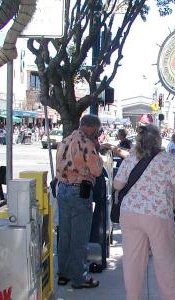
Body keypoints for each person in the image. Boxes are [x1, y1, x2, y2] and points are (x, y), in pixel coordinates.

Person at [113, 124, 175, 300]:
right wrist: (171, 205)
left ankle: (133, 297)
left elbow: (117, 185)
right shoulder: (168, 159)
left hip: (130, 213)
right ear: (159, 139)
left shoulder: (130, 158)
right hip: (158, 215)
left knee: (132, 261)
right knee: (164, 261)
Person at [55, 115, 103, 289]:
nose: (97, 133)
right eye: (96, 130)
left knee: (65, 234)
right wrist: (98, 153)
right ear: (91, 128)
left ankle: (64, 272)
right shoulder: (87, 144)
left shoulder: (65, 141)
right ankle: (79, 277)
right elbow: (97, 171)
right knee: (79, 237)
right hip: (79, 191)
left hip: (63, 189)